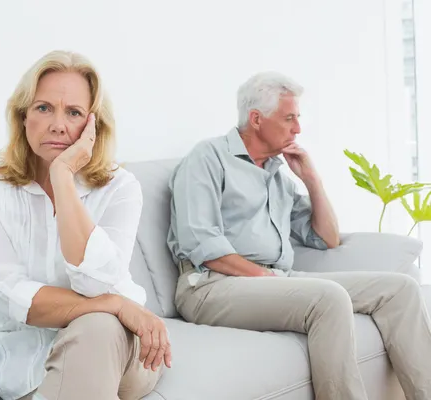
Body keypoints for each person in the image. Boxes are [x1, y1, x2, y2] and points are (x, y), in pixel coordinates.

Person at [167, 71, 431, 400]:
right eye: (289, 117)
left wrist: (311, 179)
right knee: (329, 298)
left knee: (401, 289)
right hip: (211, 286)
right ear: (256, 119)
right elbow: (202, 244)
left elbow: (326, 238)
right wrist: (266, 277)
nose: (298, 128)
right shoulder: (207, 158)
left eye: (298, 118)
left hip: (273, 277)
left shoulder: (278, 174)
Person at [0, 50, 170, 400]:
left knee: (97, 327)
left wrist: (62, 175)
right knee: (100, 320)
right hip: (22, 365)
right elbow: (9, 293)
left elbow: (95, 281)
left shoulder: (121, 187)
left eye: (73, 112)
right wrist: (116, 304)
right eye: (44, 108)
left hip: (120, 351)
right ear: (23, 115)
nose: (58, 124)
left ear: (93, 125)